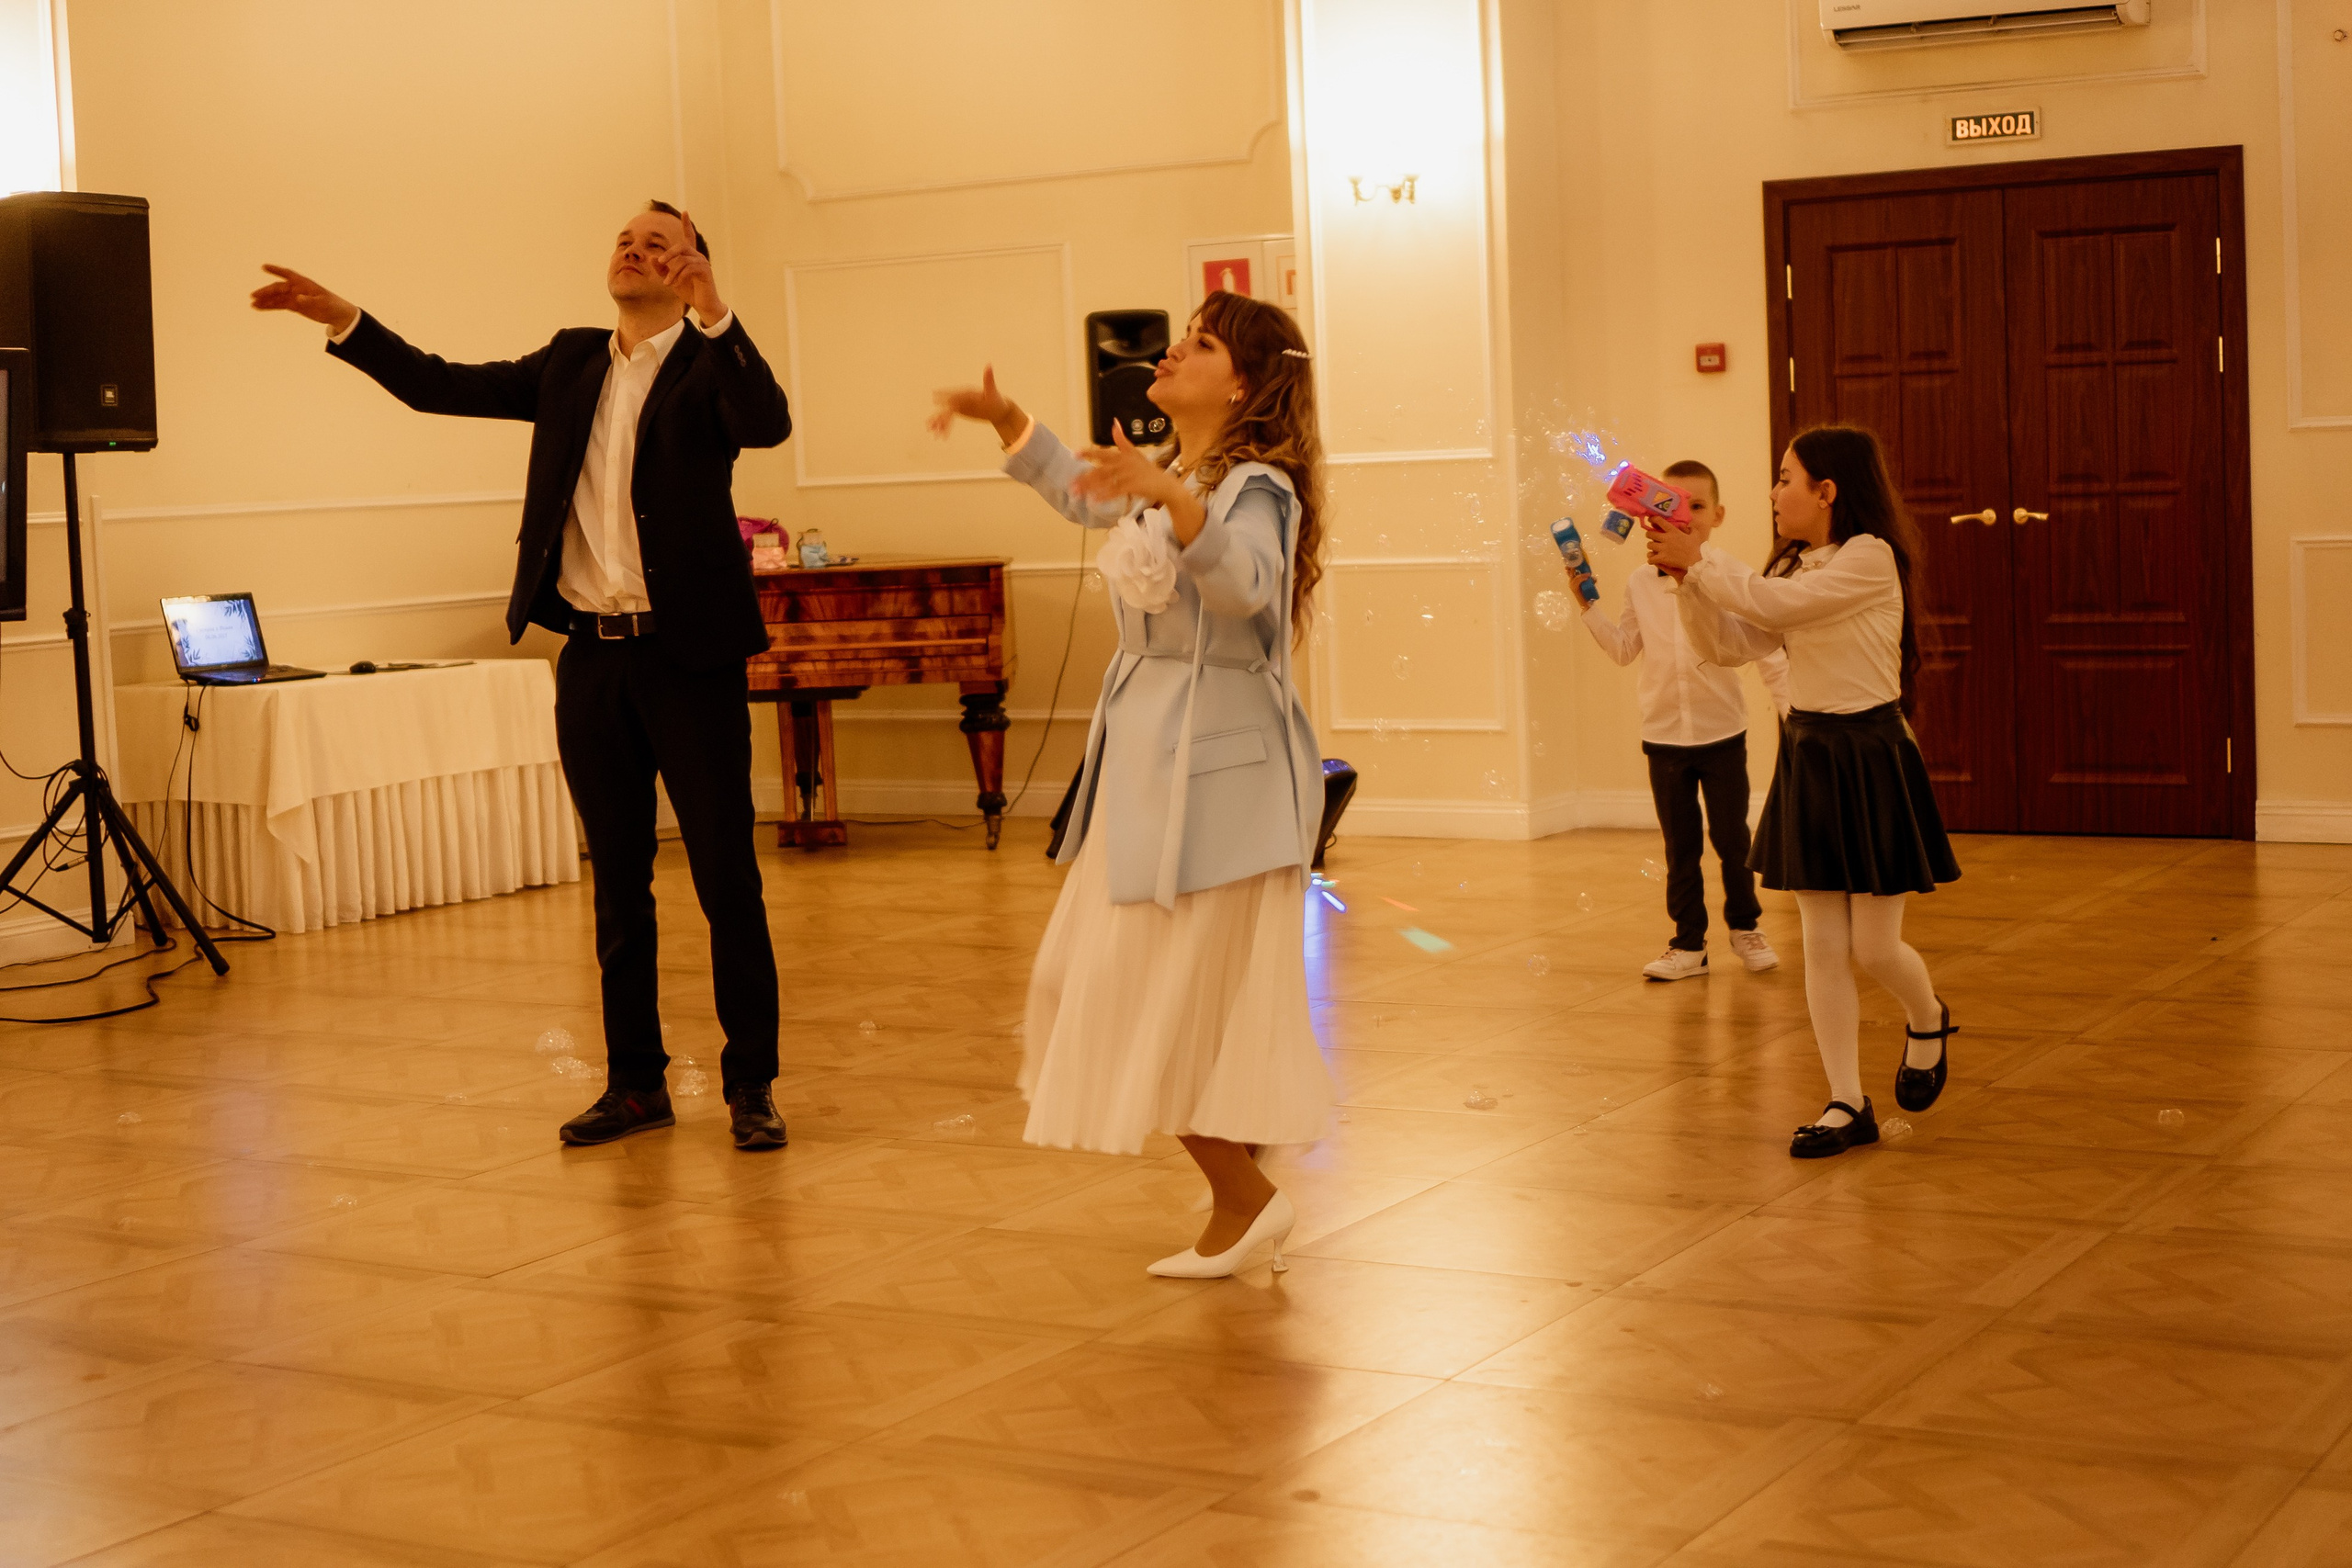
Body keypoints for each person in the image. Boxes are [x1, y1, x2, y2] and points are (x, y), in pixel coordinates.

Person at [249, 202, 792, 1153]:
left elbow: (769, 423)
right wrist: (345, 318)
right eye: (627, 238)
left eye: (660, 243)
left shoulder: (712, 365)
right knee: (618, 884)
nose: (637, 249)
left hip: (687, 660)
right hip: (590, 659)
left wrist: (717, 314)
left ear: (693, 266)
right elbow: (435, 385)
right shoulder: (571, 361)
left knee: (724, 879)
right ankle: (635, 1087)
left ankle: (751, 1085)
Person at [929, 290, 1330, 1277]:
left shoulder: (1257, 488)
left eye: (1196, 346)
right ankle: (1246, 1192)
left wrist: (1177, 495)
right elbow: (1080, 489)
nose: (1169, 354)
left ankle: (1246, 1197)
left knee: (1139, 997)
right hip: (1148, 772)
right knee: (1104, 988)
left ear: (1242, 380)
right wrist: (1008, 419)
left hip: (1218, 784)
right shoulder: (1179, 473)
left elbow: (1242, 587)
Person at [1645, 426, 1960, 1159]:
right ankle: (1846, 1100)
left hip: (1871, 755)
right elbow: (1730, 644)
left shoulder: (1868, 558)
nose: (1774, 492)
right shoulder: (1791, 565)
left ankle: (1928, 1014)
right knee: (1822, 942)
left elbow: (1774, 609)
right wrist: (1688, 582)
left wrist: (1701, 558)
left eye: (1786, 478)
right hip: (1813, 755)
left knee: (1876, 947)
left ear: (1828, 491)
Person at [1567, 458, 1790, 982]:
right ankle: (1688, 943)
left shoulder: (1729, 578)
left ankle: (1745, 926)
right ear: (1648, 512)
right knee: (1679, 845)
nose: (1684, 514)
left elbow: (1765, 653)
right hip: (1664, 737)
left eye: (1696, 505)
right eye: (1672, 503)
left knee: (1733, 838)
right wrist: (1585, 606)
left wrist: (1791, 713)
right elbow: (1625, 650)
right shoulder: (1641, 585)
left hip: (1722, 733)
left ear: (1717, 515)